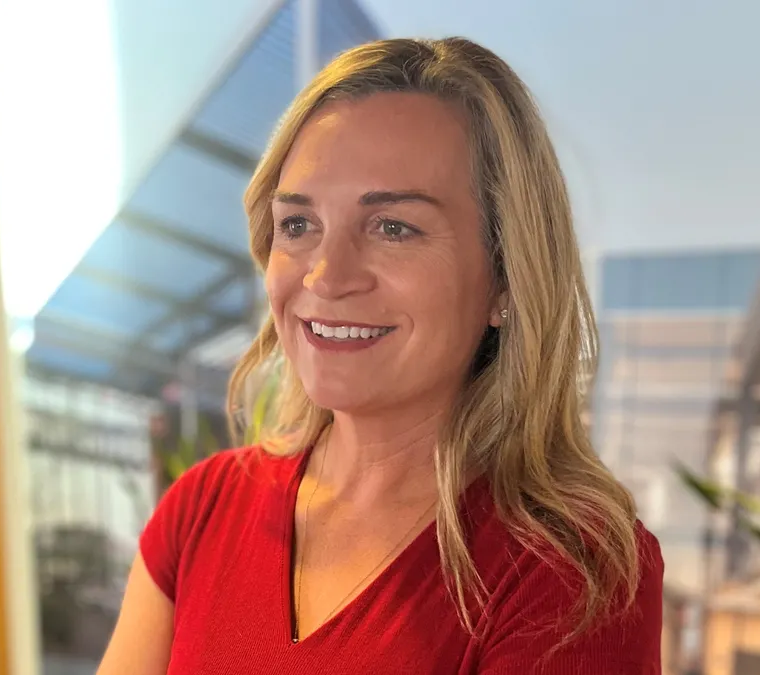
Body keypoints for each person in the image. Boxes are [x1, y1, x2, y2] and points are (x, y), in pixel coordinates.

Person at [99, 37, 663, 674]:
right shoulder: (202, 509)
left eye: (393, 227)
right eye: (298, 225)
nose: (325, 276)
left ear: (505, 280)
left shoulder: (569, 573)